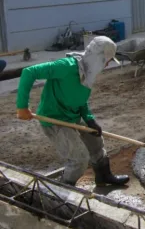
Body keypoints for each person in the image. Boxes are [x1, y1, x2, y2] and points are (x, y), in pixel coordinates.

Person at [16, 36, 129, 187]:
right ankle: (63, 190)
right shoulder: (66, 66)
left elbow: (80, 99)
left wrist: (89, 119)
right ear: (98, 58)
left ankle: (103, 176)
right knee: (79, 158)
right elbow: (29, 72)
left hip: (73, 115)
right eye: (106, 60)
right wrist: (22, 107)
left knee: (95, 141)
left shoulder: (88, 71)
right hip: (54, 119)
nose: (107, 65)